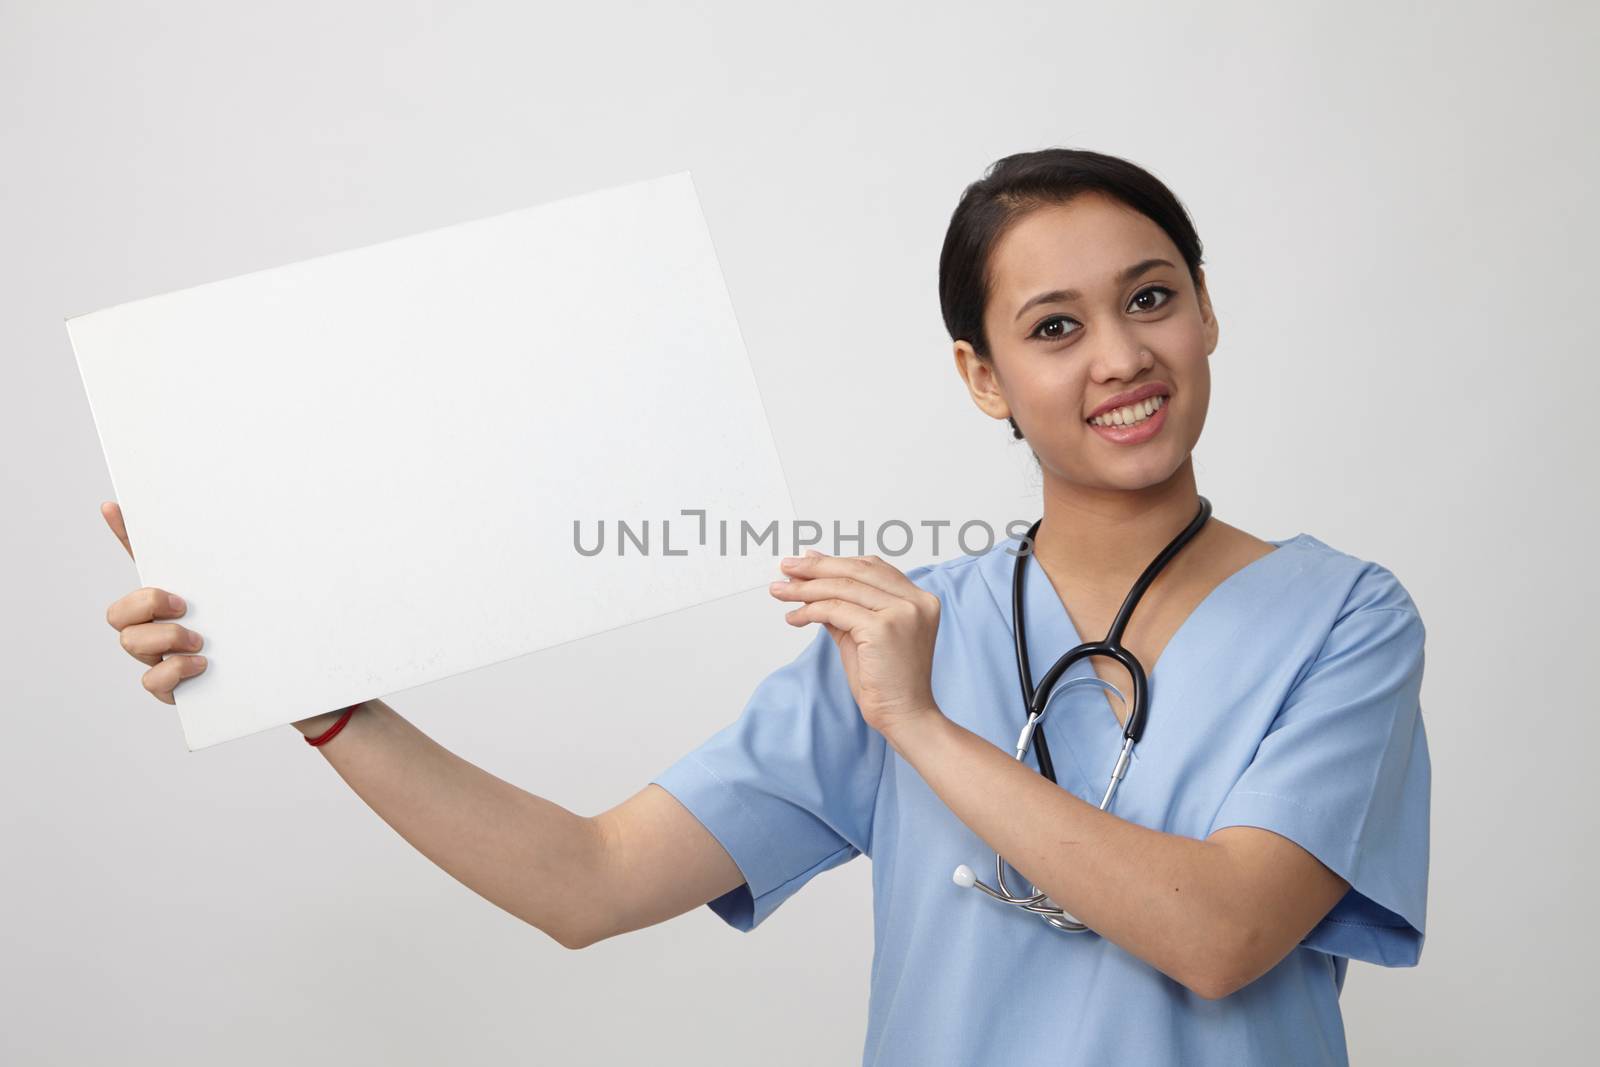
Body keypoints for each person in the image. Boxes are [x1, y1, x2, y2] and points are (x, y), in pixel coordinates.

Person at [100, 147, 1430, 1066]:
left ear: (1205, 313)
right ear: (983, 377)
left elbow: (1220, 935)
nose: (1123, 356)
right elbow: (591, 882)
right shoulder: (908, 626)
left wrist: (922, 730)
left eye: (1152, 299)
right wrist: (323, 700)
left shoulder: (1339, 619)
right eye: (1055, 326)